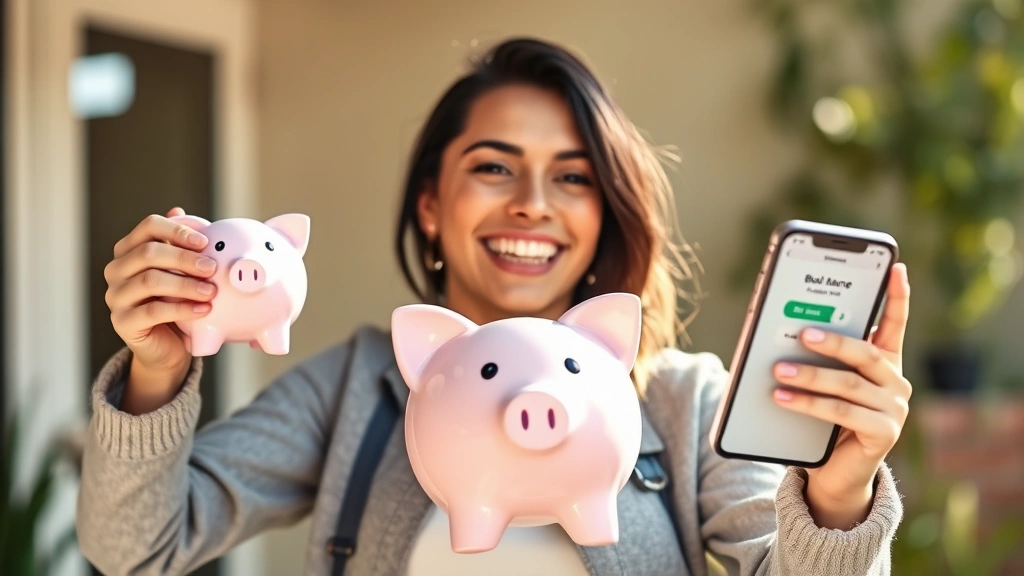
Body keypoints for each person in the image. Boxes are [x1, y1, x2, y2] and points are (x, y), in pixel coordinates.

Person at [77, 37, 911, 576]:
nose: (533, 205)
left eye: (573, 176)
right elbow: (134, 551)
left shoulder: (682, 402)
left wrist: (839, 498)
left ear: (604, 213)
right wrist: (156, 372)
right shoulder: (356, 389)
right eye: (493, 166)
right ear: (431, 205)